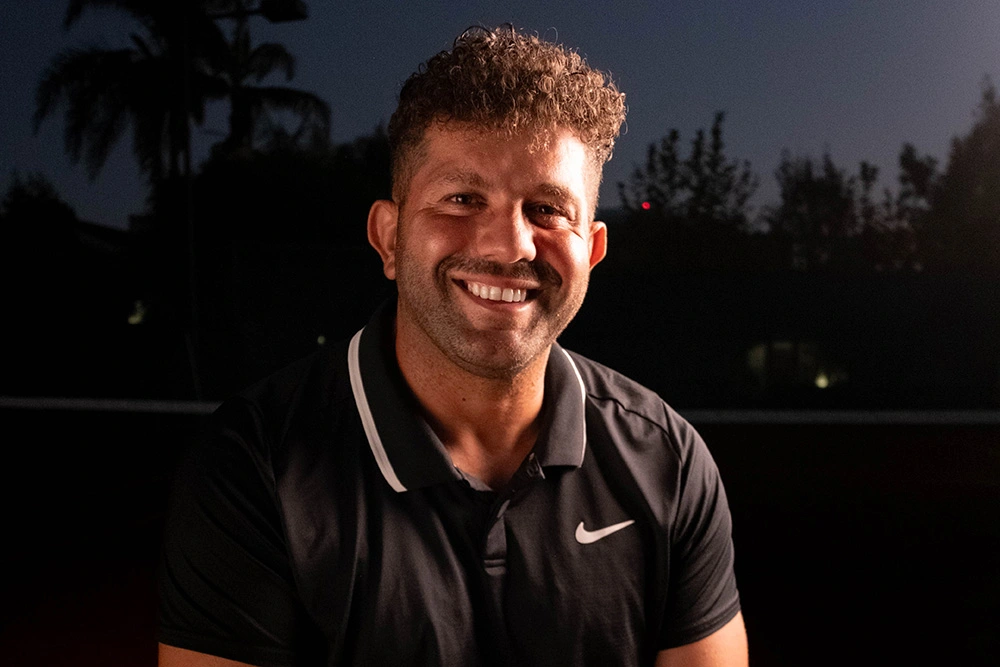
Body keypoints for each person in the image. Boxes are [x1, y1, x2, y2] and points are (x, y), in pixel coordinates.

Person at [157, 25, 747, 667]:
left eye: (548, 209)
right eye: (463, 199)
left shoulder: (670, 460)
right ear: (388, 237)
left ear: (593, 251)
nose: (508, 245)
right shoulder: (255, 465)